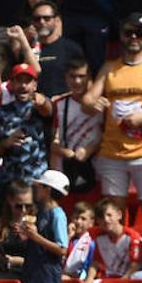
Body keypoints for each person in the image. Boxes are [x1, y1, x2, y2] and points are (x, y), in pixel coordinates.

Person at [84, 13, 142, 226]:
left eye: (139, 33)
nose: (134, 37)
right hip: (112, 152)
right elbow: (88, 99)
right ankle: (119, 258)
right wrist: (93, 103)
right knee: (112, 216)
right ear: (121, 37)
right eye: (129, 33)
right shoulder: (109, 68)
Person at [0, 63, 53, 186]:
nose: (23, 86)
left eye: (27, 81)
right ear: (11, 84)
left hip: (37, 182)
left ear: (35, 85)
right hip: (9, 182)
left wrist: (42, 102)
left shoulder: (39, 108)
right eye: (19, 81)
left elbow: (48, 110)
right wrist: (6, 143)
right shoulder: (1, 113)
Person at [15, 169, 70, 283]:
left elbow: (62, 249)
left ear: (48, 189)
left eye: (39, 186)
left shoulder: (57, 215)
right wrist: (25, 235)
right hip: (31, 277)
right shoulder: (41, 213)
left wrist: (35, 237)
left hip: (47, 281)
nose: (36, 189)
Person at [50, 57, 103, 192]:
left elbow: (109, 135)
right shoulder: (58, 103)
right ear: (66, 78)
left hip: (98, 168)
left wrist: (90, 149)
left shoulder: (102, 103)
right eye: (72, 77)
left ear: (89, 77)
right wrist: (64, 152)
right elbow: (52, 140)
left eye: (81, 76)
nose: (77, 81)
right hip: (67, 169)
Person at [30, 2, 85, 97]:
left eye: (47, 18)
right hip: (33, 106)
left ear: (56, 20)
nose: (42, 22)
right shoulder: (28, 49)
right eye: (37, 19)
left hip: (63, 105)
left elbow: (82, 81)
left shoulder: (71, 48)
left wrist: (62, 98)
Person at [92, 197, 142, 281]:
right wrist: (89, 280)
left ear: (119, 215)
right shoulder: (99, 238)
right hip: (106, 279)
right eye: (101, 217)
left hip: (128, 280)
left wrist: (121, 282)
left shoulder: (133, 238)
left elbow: (135, 265)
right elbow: (96, 263)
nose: (106, 220)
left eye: (109, 215)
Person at [64, 202, 97, 282]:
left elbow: (89, 268)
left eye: (83, 219)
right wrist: (68, 237)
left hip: (79, 281)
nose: (78, 222)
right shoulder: (66, 238)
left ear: (91, 222)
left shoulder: (91, 244)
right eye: (76, 218)